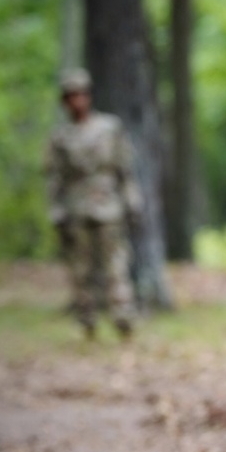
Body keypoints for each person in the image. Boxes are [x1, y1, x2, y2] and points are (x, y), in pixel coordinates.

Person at [45, 68, 142, 337]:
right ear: (64, 101)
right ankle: (86, 316)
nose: (77, 101)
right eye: (71, 96)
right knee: (81, 267)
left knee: (117, 263)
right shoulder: (61, 137)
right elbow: (54, 178)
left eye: (81, 94)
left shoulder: (109, 128)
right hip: (76, 207)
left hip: (108, 204)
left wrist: (132, 201)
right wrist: (56, 209)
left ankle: (123, 313)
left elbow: (124, 170)